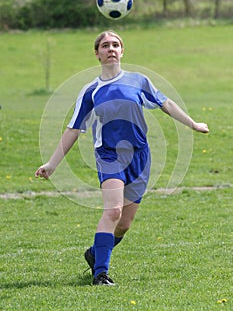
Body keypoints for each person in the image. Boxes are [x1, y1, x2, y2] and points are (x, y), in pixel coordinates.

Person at [35, 30, 209, 286]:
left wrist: (193, 123)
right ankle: (101, 274)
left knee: (124, 224)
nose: (111, 48)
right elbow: (73, 128)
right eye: (105, 45)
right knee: (113, 210)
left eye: (115, 44)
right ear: (97, 53)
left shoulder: (139, 81)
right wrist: (52, 164)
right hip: (109, 156)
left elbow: (165, 103)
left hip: (140, 156)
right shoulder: (91, 91)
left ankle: (95, 253)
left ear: (122, 50)